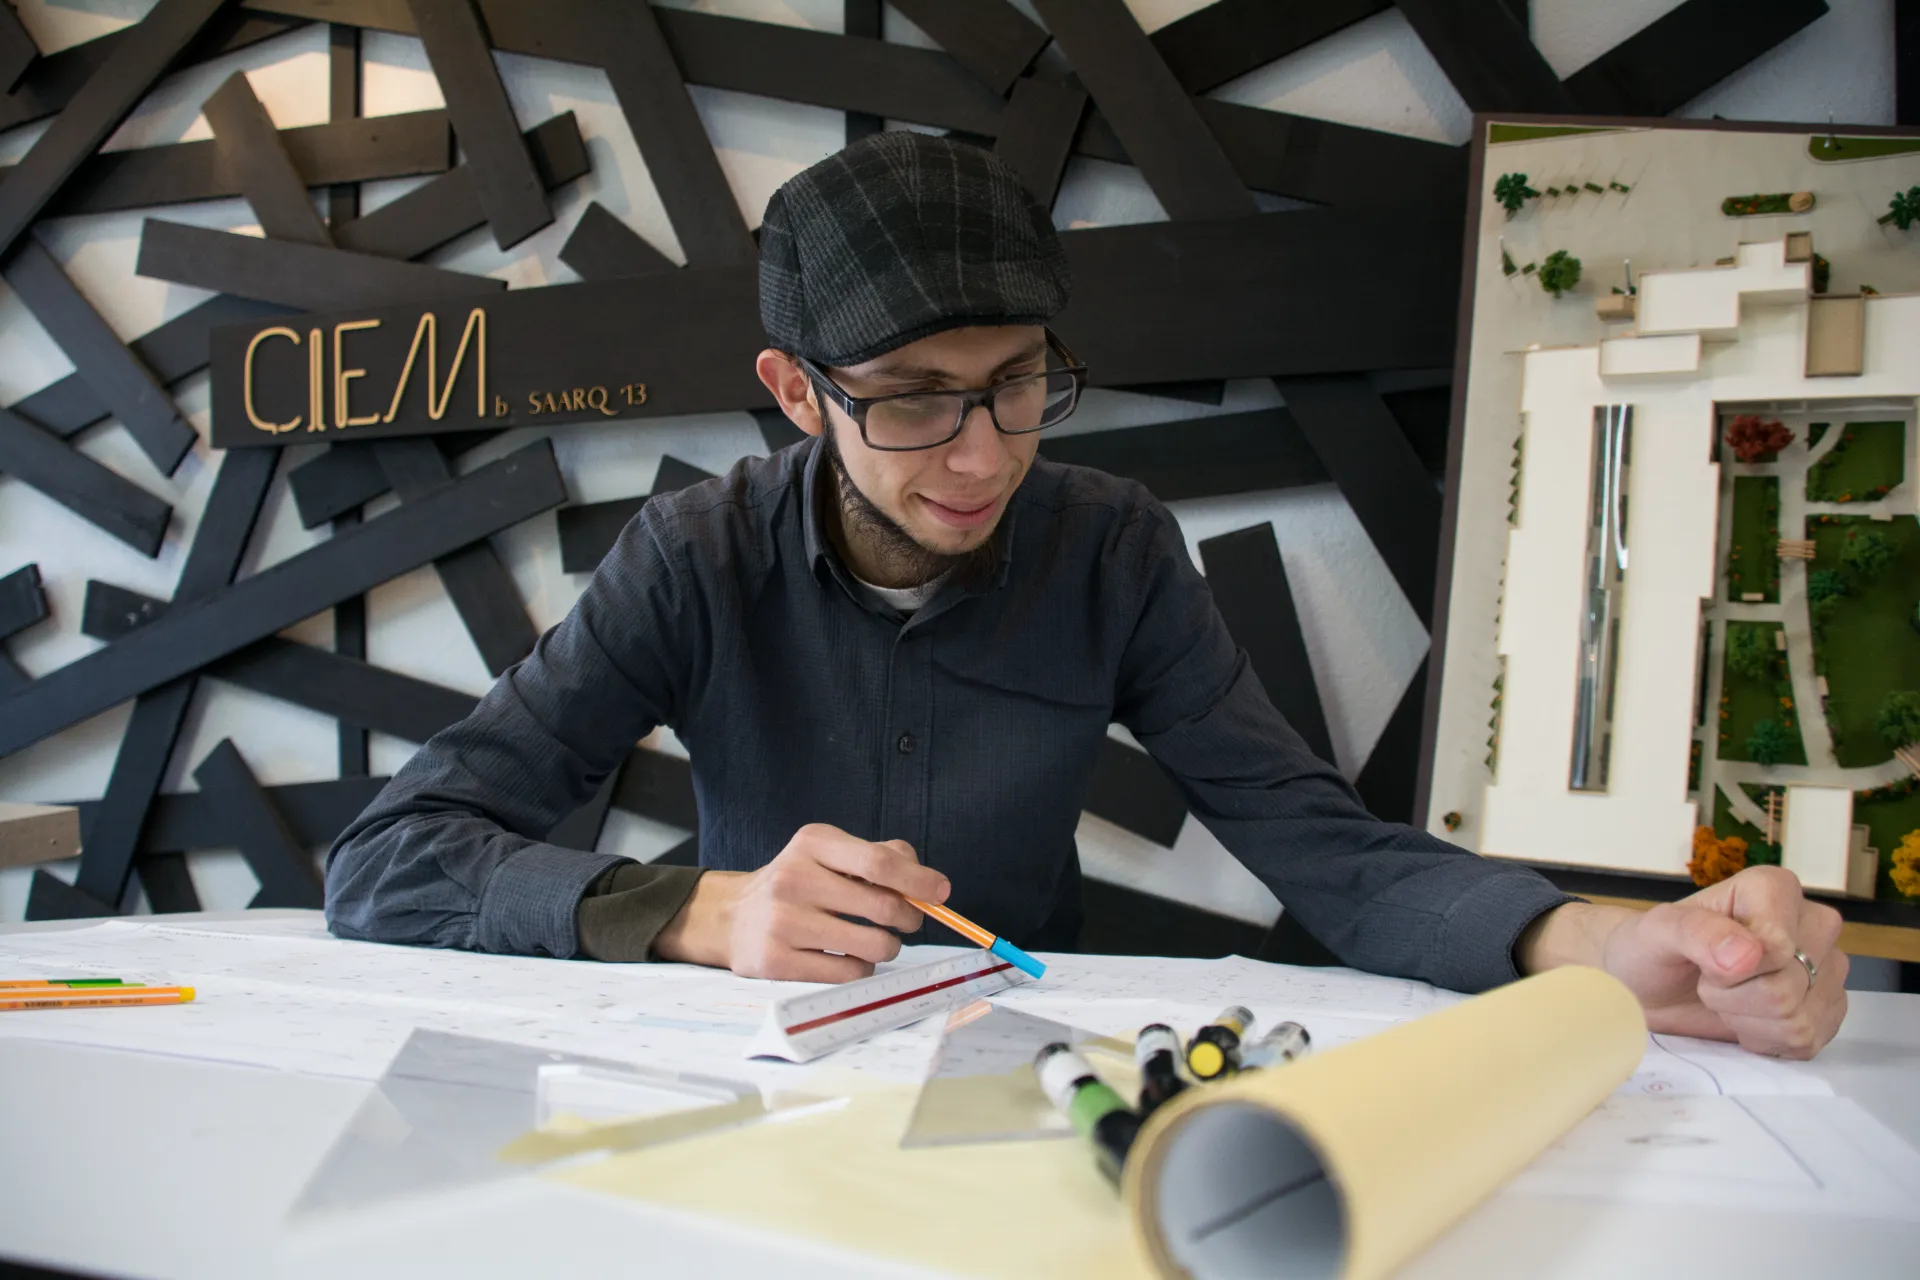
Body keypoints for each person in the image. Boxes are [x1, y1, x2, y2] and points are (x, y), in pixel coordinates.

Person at [325, 132, 1847, 1060]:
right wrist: (696, 914)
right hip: (753, 1066)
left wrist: (1595, 946)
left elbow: (1319, 848)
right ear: (796, 393)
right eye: (910, 400)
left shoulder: (1111, 546)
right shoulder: (692, 557)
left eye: (1017, 384)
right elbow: (390, 861)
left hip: (1025, 1064)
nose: (983, 455)